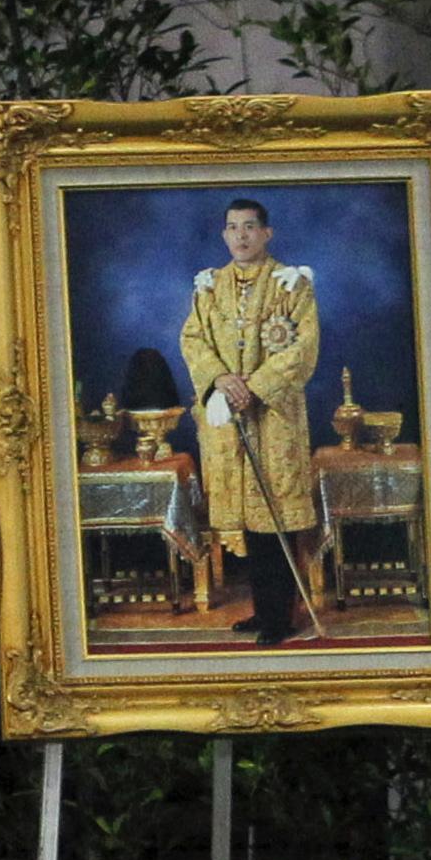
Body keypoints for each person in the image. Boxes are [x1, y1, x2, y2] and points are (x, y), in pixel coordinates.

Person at [178, 196, 329, 647]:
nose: (240, 235)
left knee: (274, 519)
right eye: (232, 227)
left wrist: (255, 387)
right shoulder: (209, 287)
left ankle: (281, 617)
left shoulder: (292, 285)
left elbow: (304, 347)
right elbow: (193, 339)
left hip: (274, 419)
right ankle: (262, 611)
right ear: (224, 235)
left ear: (267, 233)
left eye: (249, 227)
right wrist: (221, 379)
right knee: (244, 520)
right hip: (228, 419)